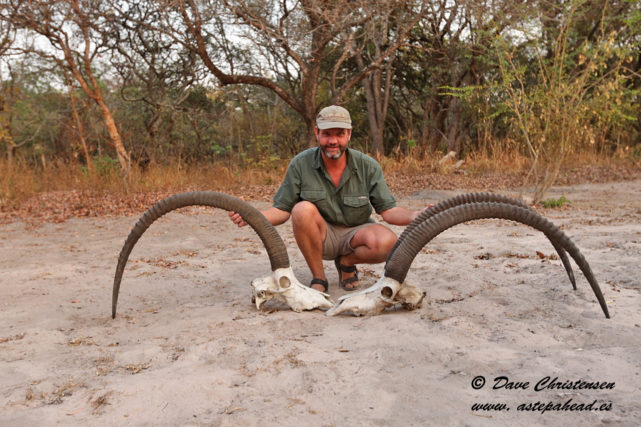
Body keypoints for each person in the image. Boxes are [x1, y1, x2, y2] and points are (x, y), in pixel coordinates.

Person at [229, 105, 425, 292]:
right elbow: (282, 210)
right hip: (322, 236)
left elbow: (389, 211)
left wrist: (417, 215)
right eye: (327, 134)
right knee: (302, 209)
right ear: (317, 133)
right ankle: (319, 277)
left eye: (339, 134)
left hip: (355, 233)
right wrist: (250, 216)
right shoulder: (300, 163)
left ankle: (346, 263)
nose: (333, 141)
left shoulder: (368, 165)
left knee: (388, 242)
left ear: (349, 134)